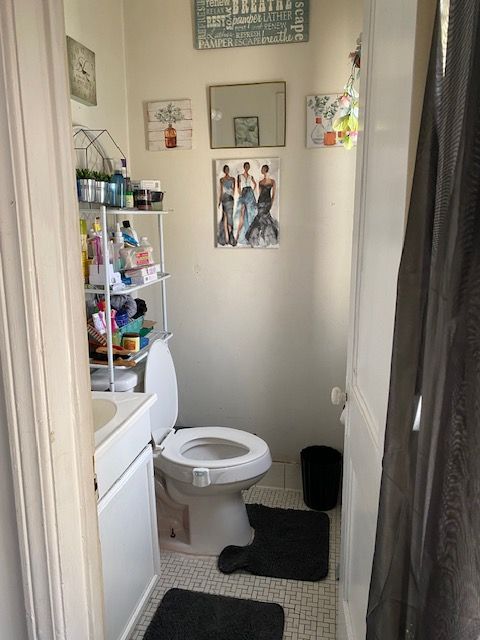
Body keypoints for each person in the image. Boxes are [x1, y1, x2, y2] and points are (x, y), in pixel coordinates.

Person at [246, 164, 279, 247]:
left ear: (265, 170)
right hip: (261, 202)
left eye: (262, 169)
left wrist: (271, 203)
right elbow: (260, 194)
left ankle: (265, 237)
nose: (261, 171)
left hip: (267, 202)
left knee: (265, 218)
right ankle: (260, 237)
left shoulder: (272, 181)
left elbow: (273, 194)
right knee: (260, 218)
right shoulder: (260, 182)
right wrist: (259, 203)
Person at [234, 161, 257, 245]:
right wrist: (241, 194)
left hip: (250, 194)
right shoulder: (240, 176)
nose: (247, 168)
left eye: (248, 166)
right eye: (246, 166)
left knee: (251, 215)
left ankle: (250, 237)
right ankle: (237, 236)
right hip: (244, 194)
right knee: (242, 216)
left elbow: (255, 184)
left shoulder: (251, 176)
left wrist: (252, 191)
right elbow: (238, 187)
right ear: (244, 167)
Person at [217, 165, 236, 246]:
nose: (227, 170)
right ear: (224, 171)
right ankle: (226, 238)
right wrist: (219, 201)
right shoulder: (221, 180)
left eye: (228, 169)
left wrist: (232, 196)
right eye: (226, 169)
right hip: (224, 200)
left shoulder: (233, 179)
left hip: (230, 200)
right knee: (225, 218)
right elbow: (221, 191)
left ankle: (230, 238)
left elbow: (233, 190)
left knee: (229, 218)